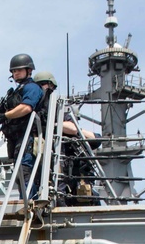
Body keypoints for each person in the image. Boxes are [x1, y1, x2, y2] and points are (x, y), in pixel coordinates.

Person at [32, 70, 97, 204]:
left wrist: (52, 125)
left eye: (43, 85)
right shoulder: (35, 112)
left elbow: (85, 135)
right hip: (51, 175)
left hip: (70, 177)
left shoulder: (59, 110)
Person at [0, 53, 43, 198]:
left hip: (28, 136)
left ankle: (29, 201)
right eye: (13, 71)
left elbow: (26, 108)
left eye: (18, 70)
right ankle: (25, 199)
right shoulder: (16, 91)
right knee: (19, 173)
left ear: (29, 70)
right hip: (16, 137)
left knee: (25, 170)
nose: (15, 73)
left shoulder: (32, 88)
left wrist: (5, 116)